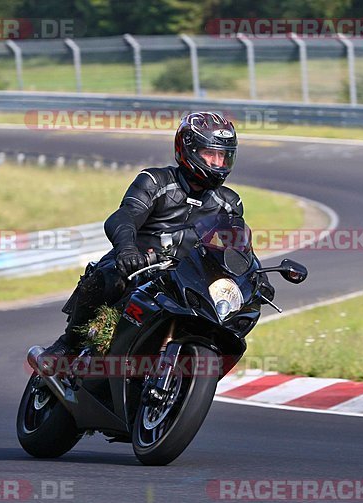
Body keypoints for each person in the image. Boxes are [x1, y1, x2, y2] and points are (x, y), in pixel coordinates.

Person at [38, 111, 272, 359]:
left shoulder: (229, 202)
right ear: (188, 150)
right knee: (107, 276)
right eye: (209, 154)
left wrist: (258, 279)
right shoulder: (155, 180)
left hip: (187, 279)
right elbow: (125, 215)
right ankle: (68, 344)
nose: (217, 163)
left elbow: (239, 250)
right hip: (138, 265)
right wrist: (127, 250)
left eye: (223, 156)